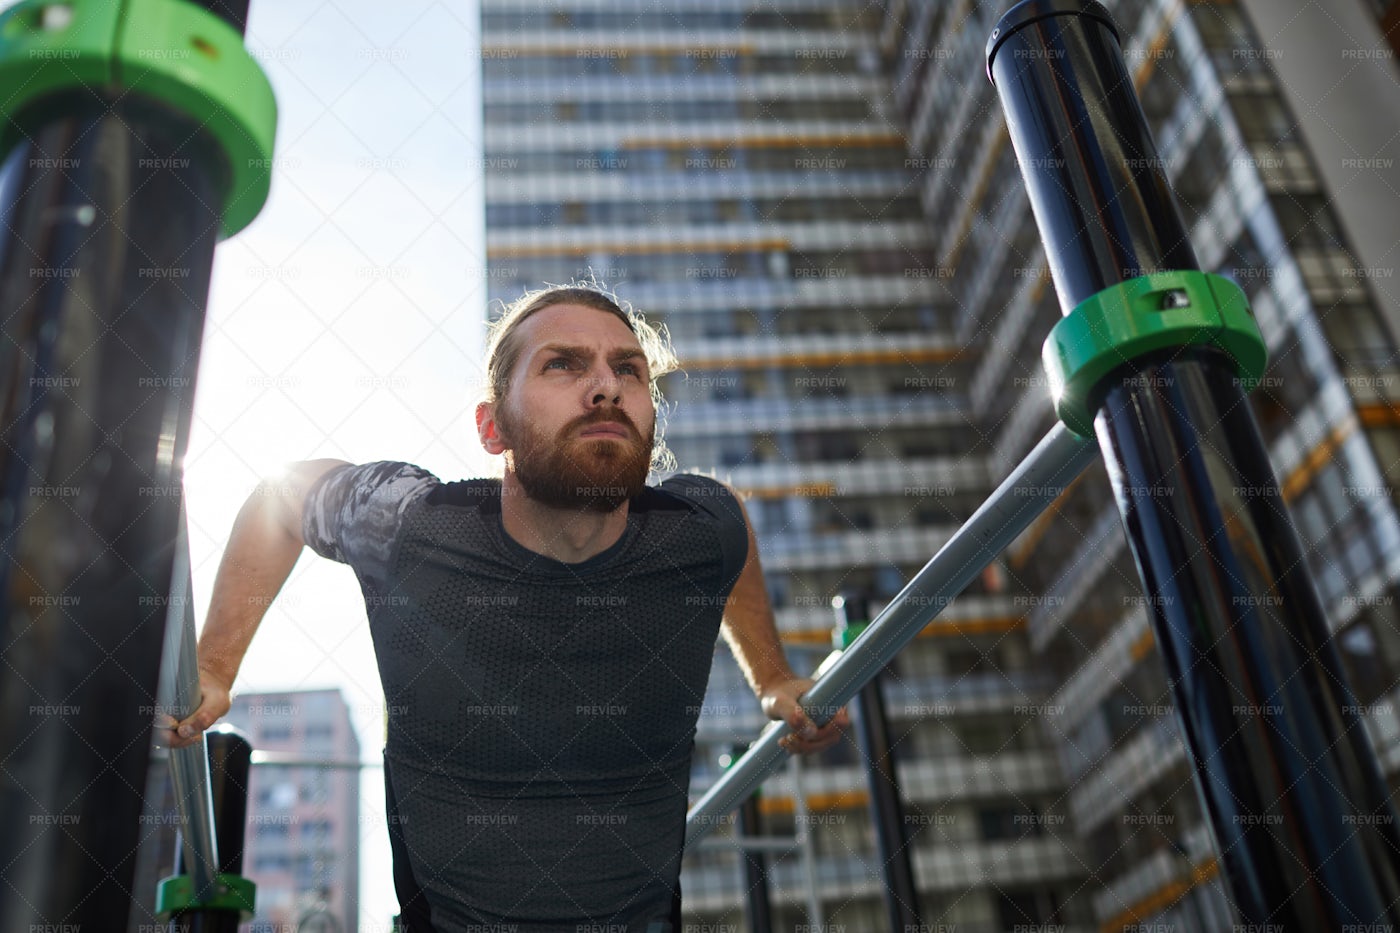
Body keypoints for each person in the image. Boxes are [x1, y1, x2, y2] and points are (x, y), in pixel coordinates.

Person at [169, 284, 847, 932]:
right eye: (563, 365)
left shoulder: (696, 531)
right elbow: (279, 498)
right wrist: (214, 665)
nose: (606, 386)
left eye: (629, 370)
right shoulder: (411, 524)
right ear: (493, 427)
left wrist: (773, 678)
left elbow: (735, 533)